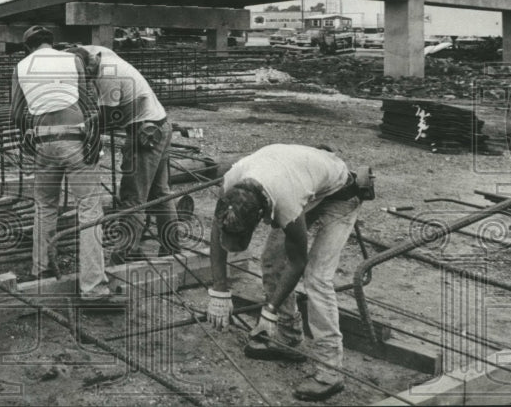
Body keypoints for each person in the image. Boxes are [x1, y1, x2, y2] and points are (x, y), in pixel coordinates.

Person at [206, 144, 374, 402]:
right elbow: (218, 234)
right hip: (303, 179)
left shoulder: (285, 202)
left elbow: (297, 261)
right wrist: (219, 289)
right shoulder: (230, 184)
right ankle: (288, 338)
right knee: (272, 261)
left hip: (341, 194)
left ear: (261, 215)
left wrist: (269, 310)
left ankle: (331, 372)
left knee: (317, 278)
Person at [10, 26, 116, 302]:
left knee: (44, 206)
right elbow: (87, 101)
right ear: (51, 43)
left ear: (28, 48)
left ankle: (41, 270)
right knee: (89, 210)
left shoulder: (21, 66)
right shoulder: (72, 59)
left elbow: (16, 113)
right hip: (75, 139)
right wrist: (95, 137)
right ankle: (93, 288)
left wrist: (30, 133)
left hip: (43, 141)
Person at [66, 45, 179, 263]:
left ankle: (124, 254)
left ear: (88, 68)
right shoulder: (103, 56)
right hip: (160, 125)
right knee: (160, 193)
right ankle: (171, 247)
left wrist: (87, 129)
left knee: (133, 196)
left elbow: (109, 117)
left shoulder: (107, 76)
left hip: (146, 134)